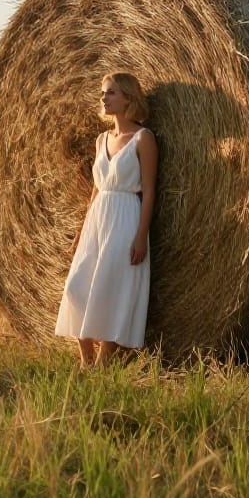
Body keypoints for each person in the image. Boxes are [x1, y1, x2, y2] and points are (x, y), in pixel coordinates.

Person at [55, 72, 158, 367]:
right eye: (103, 92)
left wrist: (141, 235)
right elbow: (95, 190)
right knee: (76, 288)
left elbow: (149, 192)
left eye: (111, 92)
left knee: (112, 288)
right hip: (97, 217)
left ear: (128, 98)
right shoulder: (102, 140)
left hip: (126, 216)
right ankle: (86, 359)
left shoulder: (143, 138)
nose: (103, 97)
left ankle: (103, 363)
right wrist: (80, 232)